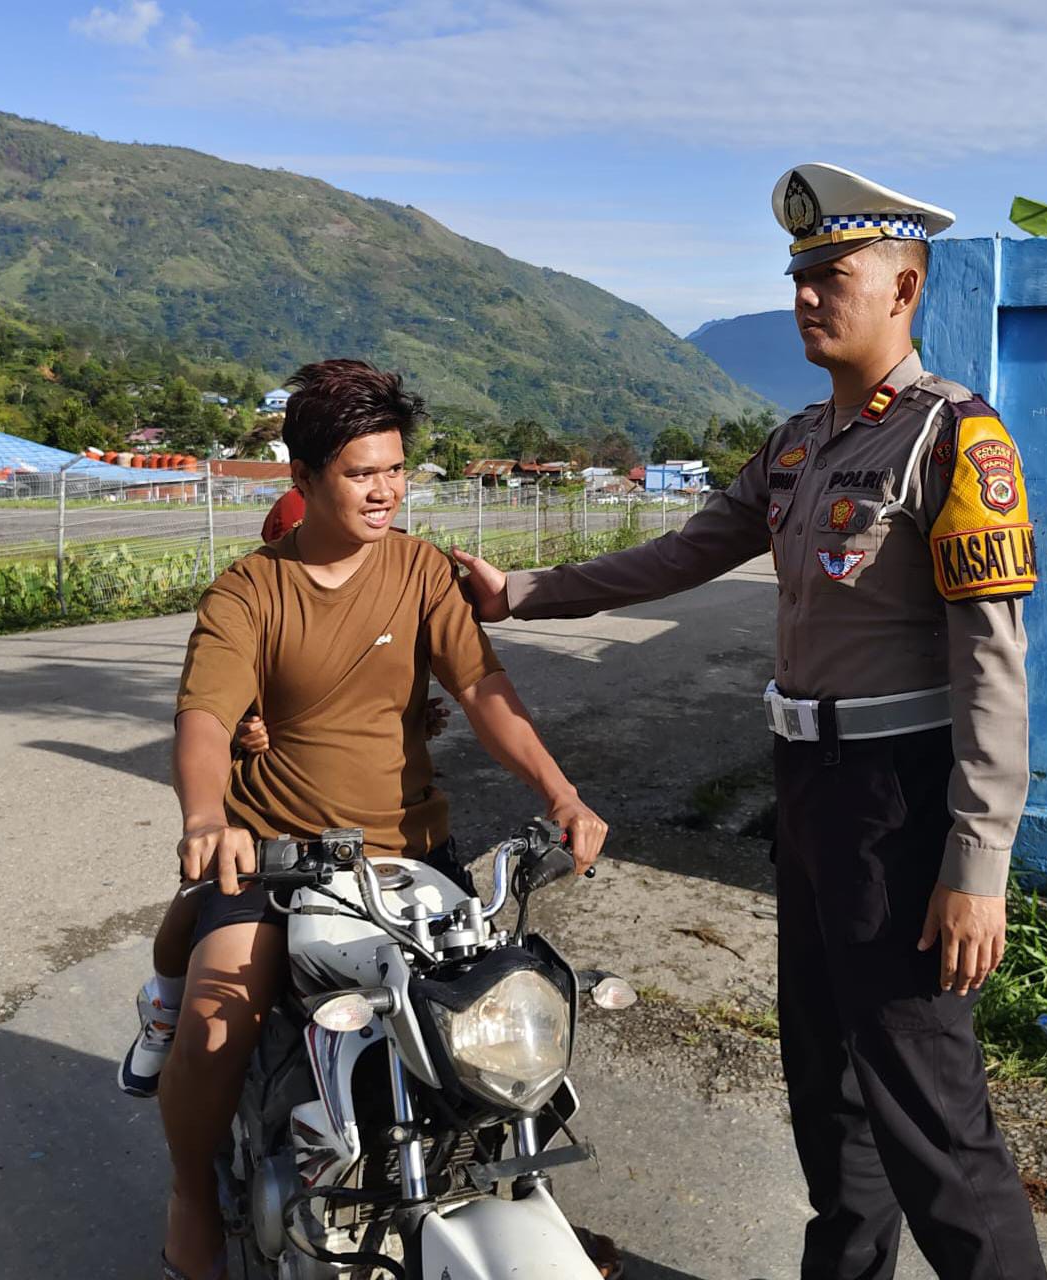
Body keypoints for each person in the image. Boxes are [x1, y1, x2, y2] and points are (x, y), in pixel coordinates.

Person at [454, 164, 1047, 1279]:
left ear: (905, 286)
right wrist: (523, 593)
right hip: (809, 792)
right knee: (827, 1085)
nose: (807, 296)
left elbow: (993, 670)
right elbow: (679, 554)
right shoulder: (797, 445)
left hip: (900, 799)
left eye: (834, 274)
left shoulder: (954, 441)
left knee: (931, 1109)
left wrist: (977, 865)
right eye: (798, 276)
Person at [153, 359, 609, 1280]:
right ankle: (193, 1194)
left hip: (413, 857)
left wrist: (559, 790)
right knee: (215, 1016)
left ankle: (515, 1192)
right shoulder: (248, 591)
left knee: (494, 1016)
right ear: (304, 476)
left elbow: (482, 689)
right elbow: (203, 717)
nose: (386, 491)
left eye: (396, 469)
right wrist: (207, 815)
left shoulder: (422, 571)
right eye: (362, 472)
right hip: (281, 863)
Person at [117, 486, 448, 1100]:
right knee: (203, 892)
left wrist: (415, 717)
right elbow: (209, 713)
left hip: (380, 834)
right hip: (273, 827)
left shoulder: (402, 584)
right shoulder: (258, 598)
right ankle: (165, 1005)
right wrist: (241, 740)